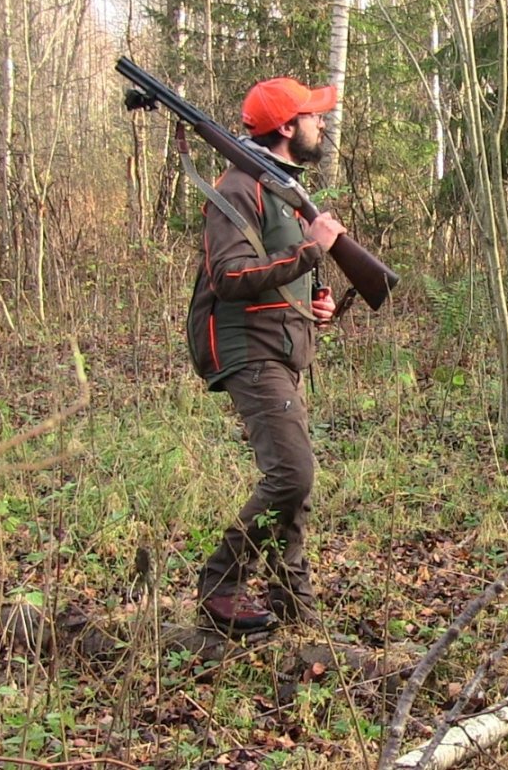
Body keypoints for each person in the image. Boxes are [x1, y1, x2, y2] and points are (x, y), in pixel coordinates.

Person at [184, 76, 347, 633]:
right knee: (292, 475)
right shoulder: (239, 187)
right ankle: (219, 588)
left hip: (280, 346)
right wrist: (311, 248)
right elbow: (230, 276)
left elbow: (287, 267)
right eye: (312, 116)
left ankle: (289, 597)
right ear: (285, 127)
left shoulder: (283, 186)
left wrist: (318, 302)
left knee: (294, 482)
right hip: (247, 348)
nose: (320, 124)